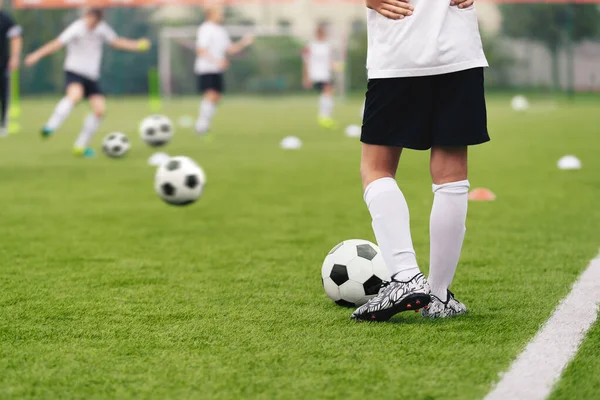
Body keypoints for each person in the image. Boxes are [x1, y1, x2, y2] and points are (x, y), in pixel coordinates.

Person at [351, 0, 489, 321]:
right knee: (451, 174)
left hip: (400, 51)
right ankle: (438, 296)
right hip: (458, 52)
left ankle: (406, 276)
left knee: (376, 168)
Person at [24, 7, 150, 157]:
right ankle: (51, 126)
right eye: (90, 20)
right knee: (75, 95)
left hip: (91, 76)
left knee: (99, 111)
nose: (91, 24)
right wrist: (36, 55)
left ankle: (80, 146)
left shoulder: (102, 29)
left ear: (98, 21)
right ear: (86, 16)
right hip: (74, 71)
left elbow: (116, 41)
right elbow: (57, 44)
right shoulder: (77, 28)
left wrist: (136, 45)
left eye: (95, 22)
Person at [195, 6, 253, 136]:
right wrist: (216, 61)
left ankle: (204, 124)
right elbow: (201, 50)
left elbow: (230, 49)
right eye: (219, 13)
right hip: (206, 68)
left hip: (217, 69)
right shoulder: (206, 29)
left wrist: (244, 42)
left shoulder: (221, 30)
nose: (222, 15)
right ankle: (201, 125)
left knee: (217, 97)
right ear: (210, 14)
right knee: (211, 95)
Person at [302, 23, 336, 129]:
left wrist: (335, 66)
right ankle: (323, 116)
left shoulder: (327, 46)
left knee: (327, 94)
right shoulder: (311, 46)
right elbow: (306, 62)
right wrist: (306, 77)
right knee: (327, 92)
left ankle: (325, 116)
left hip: (326, 73)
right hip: (316, 74)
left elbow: (329, 61)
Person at [0, 10, 22, 137]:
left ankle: (3, 124)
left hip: (2, 63)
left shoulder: (6, 19)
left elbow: (16, 37)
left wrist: (15, 57)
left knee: (4, 94)